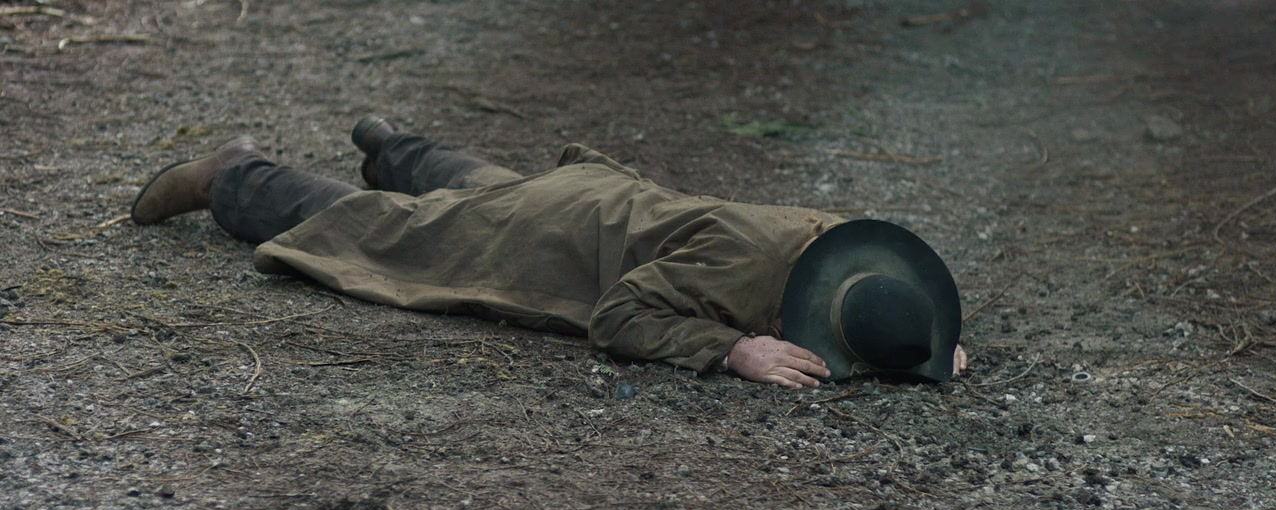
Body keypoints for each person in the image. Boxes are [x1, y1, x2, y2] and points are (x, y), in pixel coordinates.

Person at [131, 116, 968, 389]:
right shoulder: (742, 270)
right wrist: (730, 349)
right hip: (559, 230)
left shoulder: (845, 243)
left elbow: (900, 294)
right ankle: (233, 175)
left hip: (599, 199)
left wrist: (931, 339)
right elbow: (619, 314)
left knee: (491, 190)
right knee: (389, 234)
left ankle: (395, 146)